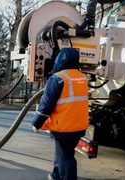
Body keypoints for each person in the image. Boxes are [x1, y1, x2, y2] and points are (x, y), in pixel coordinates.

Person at [31, 48, 88, 180]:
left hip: (64, 126)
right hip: (78, 126)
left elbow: (46, 104)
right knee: (63, 154)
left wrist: (37, 123)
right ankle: (56, 175)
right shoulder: (81, 77)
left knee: (65, 158)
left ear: (60, 59)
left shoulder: (58, 78)